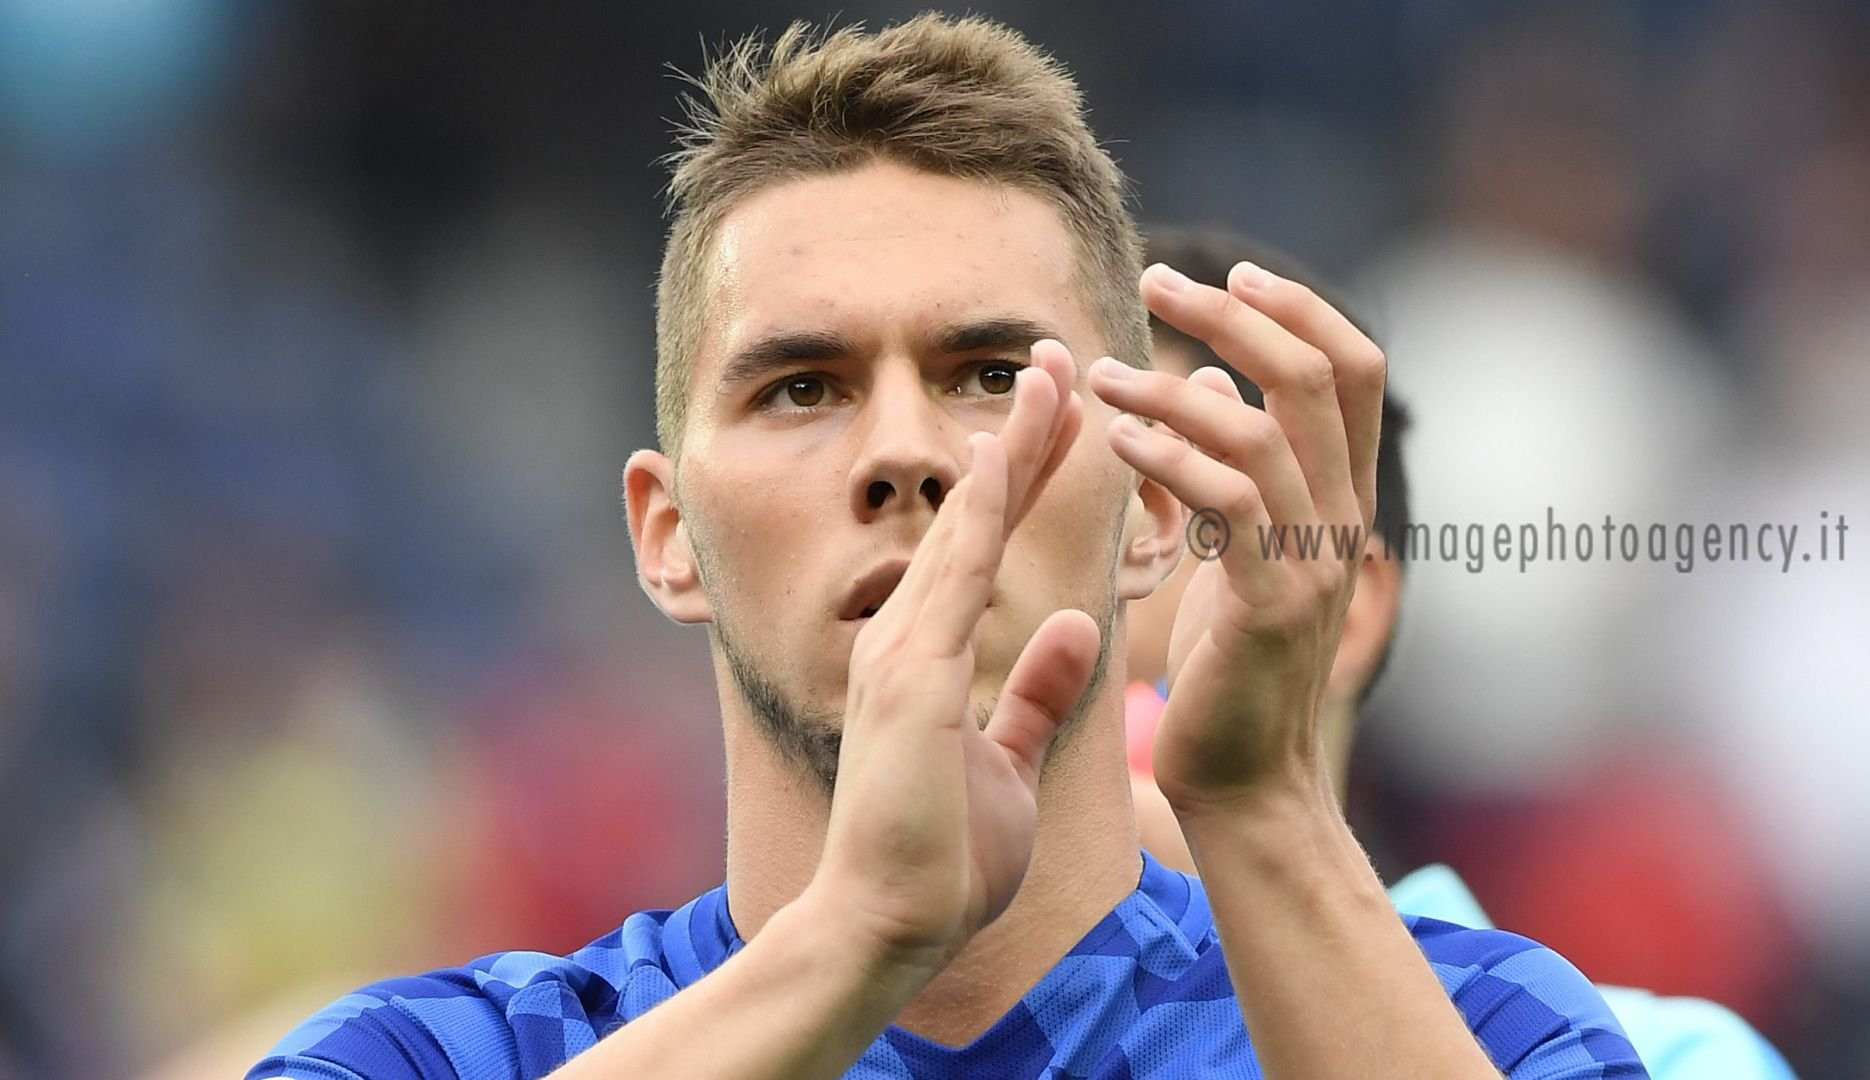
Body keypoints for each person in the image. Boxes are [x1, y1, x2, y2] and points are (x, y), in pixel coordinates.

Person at [249, 16, 1646, 1078]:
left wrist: (1264, 810)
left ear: (1154, 512)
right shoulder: (439, 1056)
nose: (905, 453)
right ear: (666, 538)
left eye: (990, 376)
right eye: (802, 387)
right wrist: (856, 932)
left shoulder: (1479, 1025)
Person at [1125, 225, 1797, 1080]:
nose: (1074, 599)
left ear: (1344, 612)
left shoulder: (1674, 1059)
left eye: (1149, 509)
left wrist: (1252, 830)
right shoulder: (970, 1016)